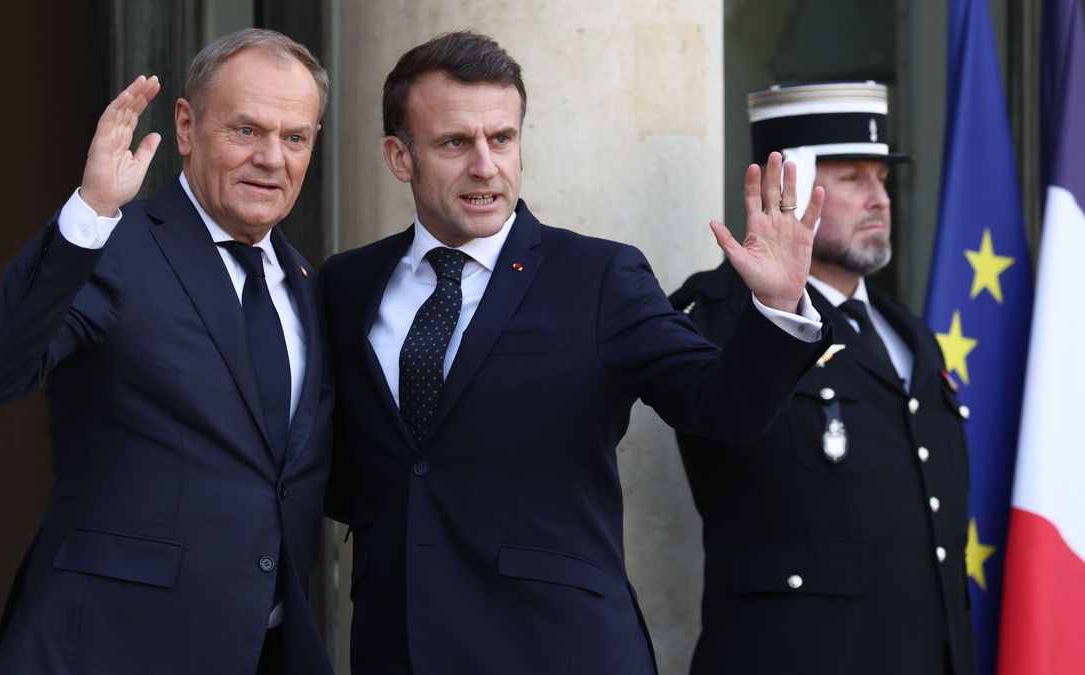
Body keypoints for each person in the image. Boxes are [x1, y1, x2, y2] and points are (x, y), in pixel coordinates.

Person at [320, 31, 831, 674]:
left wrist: (778, 309)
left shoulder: (598, 276)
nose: (486, 166)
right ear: (401, 156)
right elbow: (337, 461)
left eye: (502, 138)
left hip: (558, 649)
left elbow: (723, 407)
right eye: (455, 142)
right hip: (398, 648)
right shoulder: (346, 284)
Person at [0, 29, 333, 675]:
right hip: (110, 643)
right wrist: (91, 211)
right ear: (186, 126)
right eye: (245, 130)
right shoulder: (116, 246)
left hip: (264, 648)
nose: (272, 158)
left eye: (294, 137)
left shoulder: (304, 282)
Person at [669, 82, 976, 675]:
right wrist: (776, 304)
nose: (879, 199)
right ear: (786, 191)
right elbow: (724, 427)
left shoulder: (911, 334)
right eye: (853, 179)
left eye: (882, 179)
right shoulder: (718, 315)